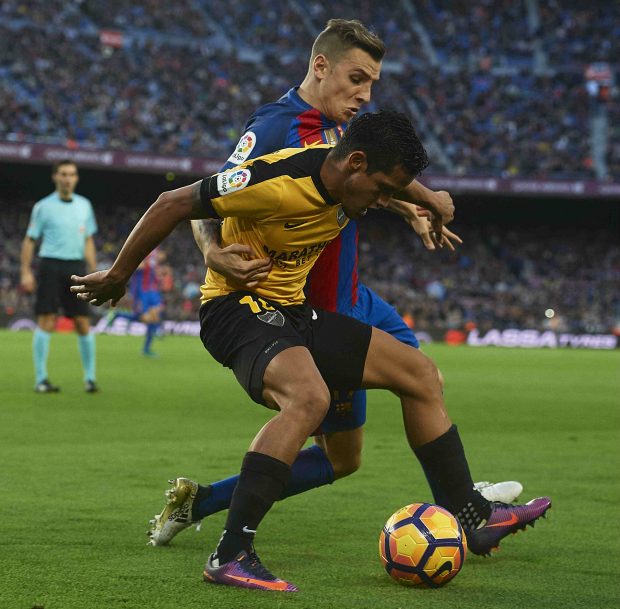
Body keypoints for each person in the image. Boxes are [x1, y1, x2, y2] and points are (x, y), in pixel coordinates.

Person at [71, 110, 551, 592]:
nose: (385, 200)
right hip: (236, 309)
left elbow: (391, 186)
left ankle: (471, 519)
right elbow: (171, 202)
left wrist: (427, 199)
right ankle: (231, 553)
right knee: (309, 398)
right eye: (383, 188)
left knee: (420, 374)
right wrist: (118, 276)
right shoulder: (275, 181)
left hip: (294, 312)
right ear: (355, 163)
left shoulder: (350, 175)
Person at [145, 18, 521, 547]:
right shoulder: (276, 128)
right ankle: (209, 507)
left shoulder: (344, 129)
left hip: (355, 296)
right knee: (342, 458)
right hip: (313, 308)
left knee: (421, 380)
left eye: (371, 85)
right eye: (356, 79)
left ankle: (465, 508)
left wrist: (410, 204)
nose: (364, 96)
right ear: (320, 67)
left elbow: (360, 176)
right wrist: (213, 253)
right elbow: (202, 199)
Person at [20, 159, 99, 393]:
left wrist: (94, 271)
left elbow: (89, 240)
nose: (67, 178)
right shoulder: (43, 206)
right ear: (55, 177)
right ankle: (41, 379)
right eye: (63, 174)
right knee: (46, 320)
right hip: (51, 265)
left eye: (71, 174)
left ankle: (90, 378)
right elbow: (30, 239)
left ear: (76, 178)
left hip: (76, 267)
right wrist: (25, 271)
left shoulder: (85, 205)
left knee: (83, 322)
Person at [107, 248, 165, 356]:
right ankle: (118, 315)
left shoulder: (153, 249)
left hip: (152, 289)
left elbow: (161, 257)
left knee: (156, 314)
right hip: (140, 291)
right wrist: (147, 262)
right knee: (145, 318)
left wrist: (157, 265)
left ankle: (148, 346)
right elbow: (135, 266)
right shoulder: (139, 250)